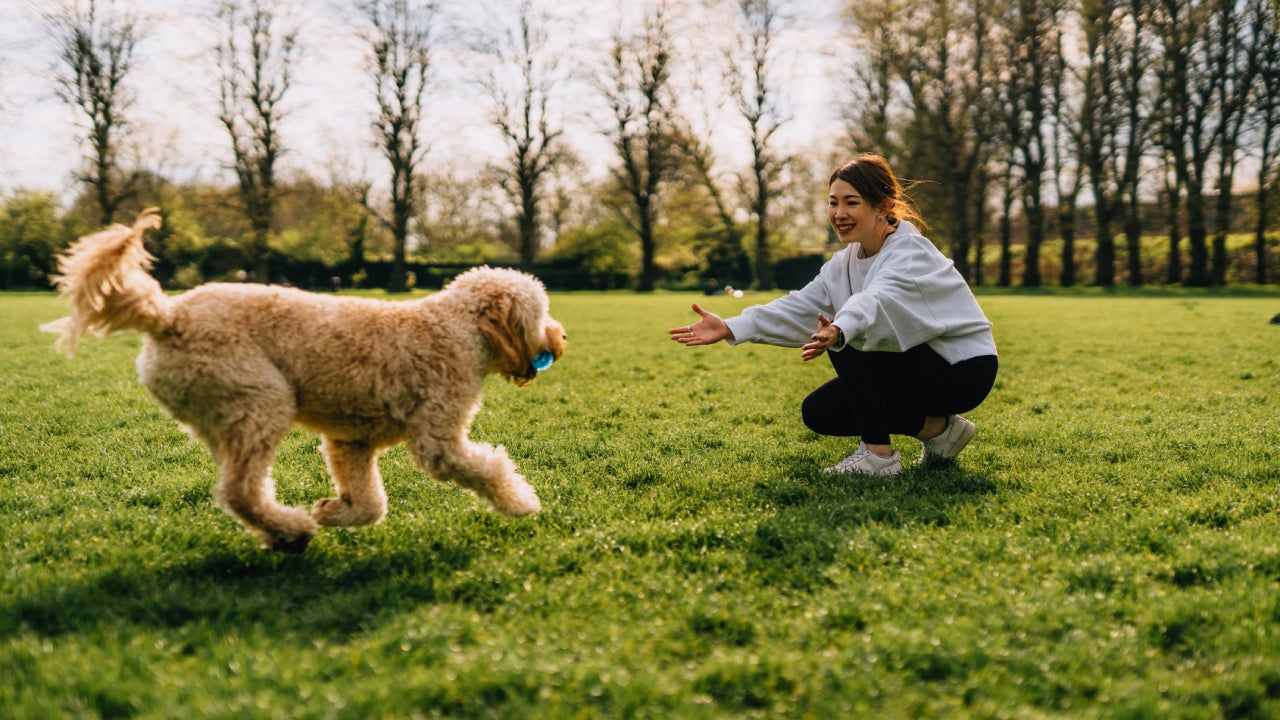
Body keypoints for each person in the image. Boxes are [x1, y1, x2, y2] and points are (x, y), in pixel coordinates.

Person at [668, 154, 998, 476]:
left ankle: (878, 457)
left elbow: (875, 301)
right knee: (821, 412)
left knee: (849, 337)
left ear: (882, 206)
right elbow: (800, 306)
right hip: (916, 366)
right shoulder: (843, 263)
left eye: (851, 202)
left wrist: (840, 329)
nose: (839, 213)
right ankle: (939, 431)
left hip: (963, 369)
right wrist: (730, 326)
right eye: (833, 202)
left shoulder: (910, 252)